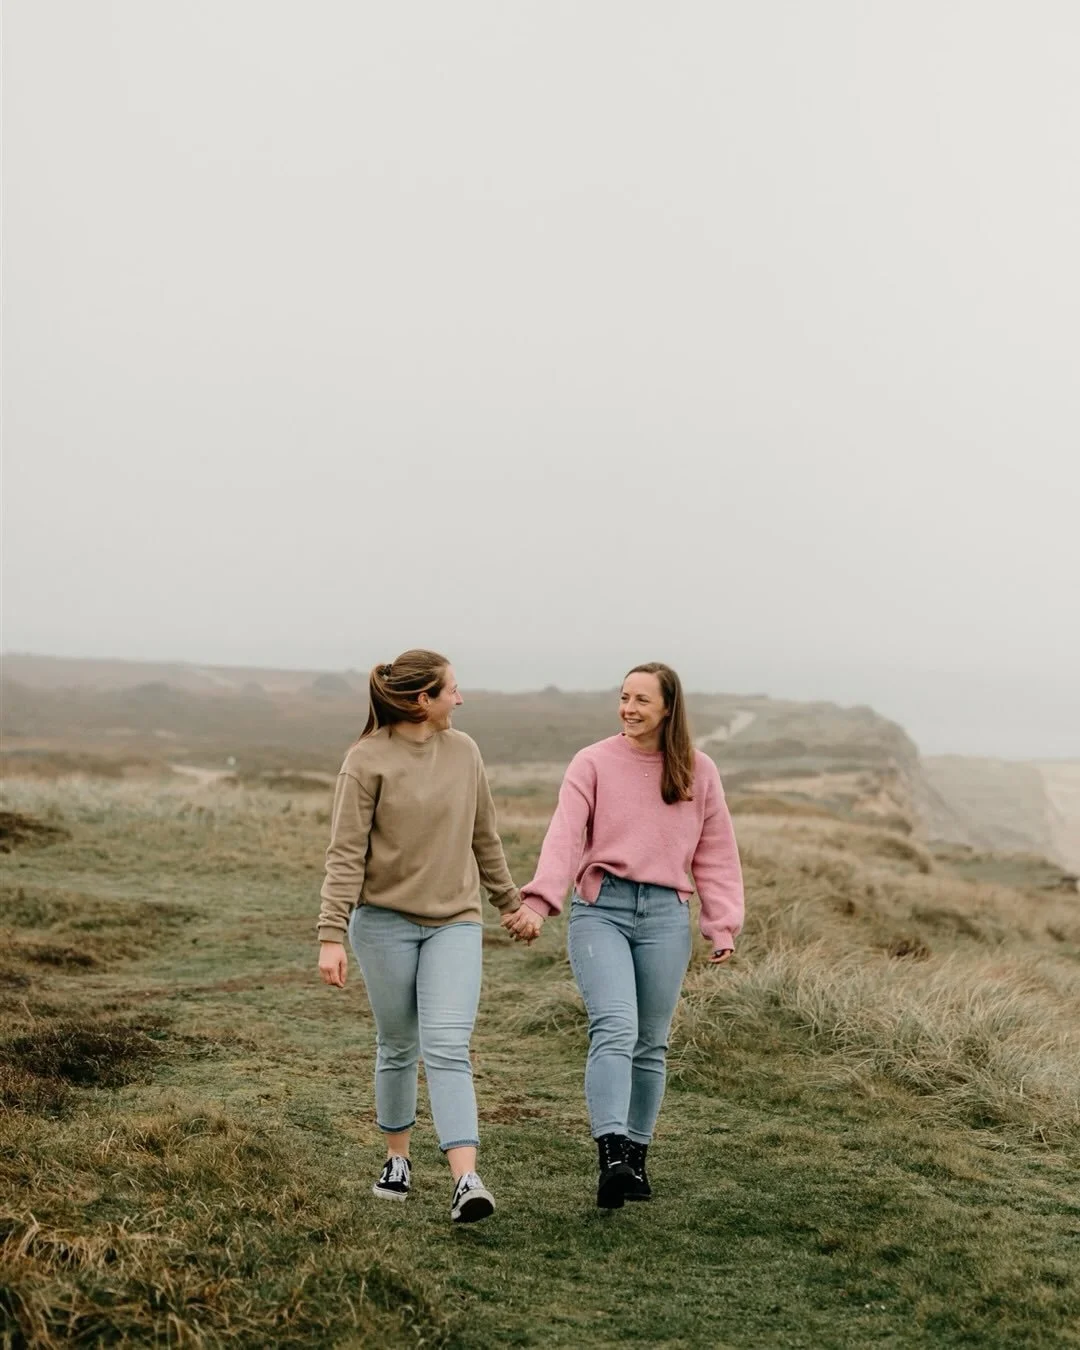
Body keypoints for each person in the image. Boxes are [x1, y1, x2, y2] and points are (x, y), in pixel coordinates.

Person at [503, 662, 744, 1209]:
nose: (628, 709)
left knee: (651, 1043)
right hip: (601, 909)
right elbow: (564, 835)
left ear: (667, 708)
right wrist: (540, 901)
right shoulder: (592, 762)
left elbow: (715, 853)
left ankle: (636, 1157)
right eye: (623, 697)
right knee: (615, 1025)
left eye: (641, 700)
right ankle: (610, 1154)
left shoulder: (698, 771)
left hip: (665, 915)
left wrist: (721, 922)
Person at [318, 649, 524, 1224]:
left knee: (448, 1046)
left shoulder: (465, 752)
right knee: (399, 1044)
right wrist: (330, 934)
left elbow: (486, 837)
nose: (461, 698)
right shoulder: (365, 760)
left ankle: (466, 1180)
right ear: (420, 701)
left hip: (455, 922)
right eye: (451, 690)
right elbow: (345, 856)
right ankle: (397, 1159)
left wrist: (510, 904)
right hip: (383, 924)